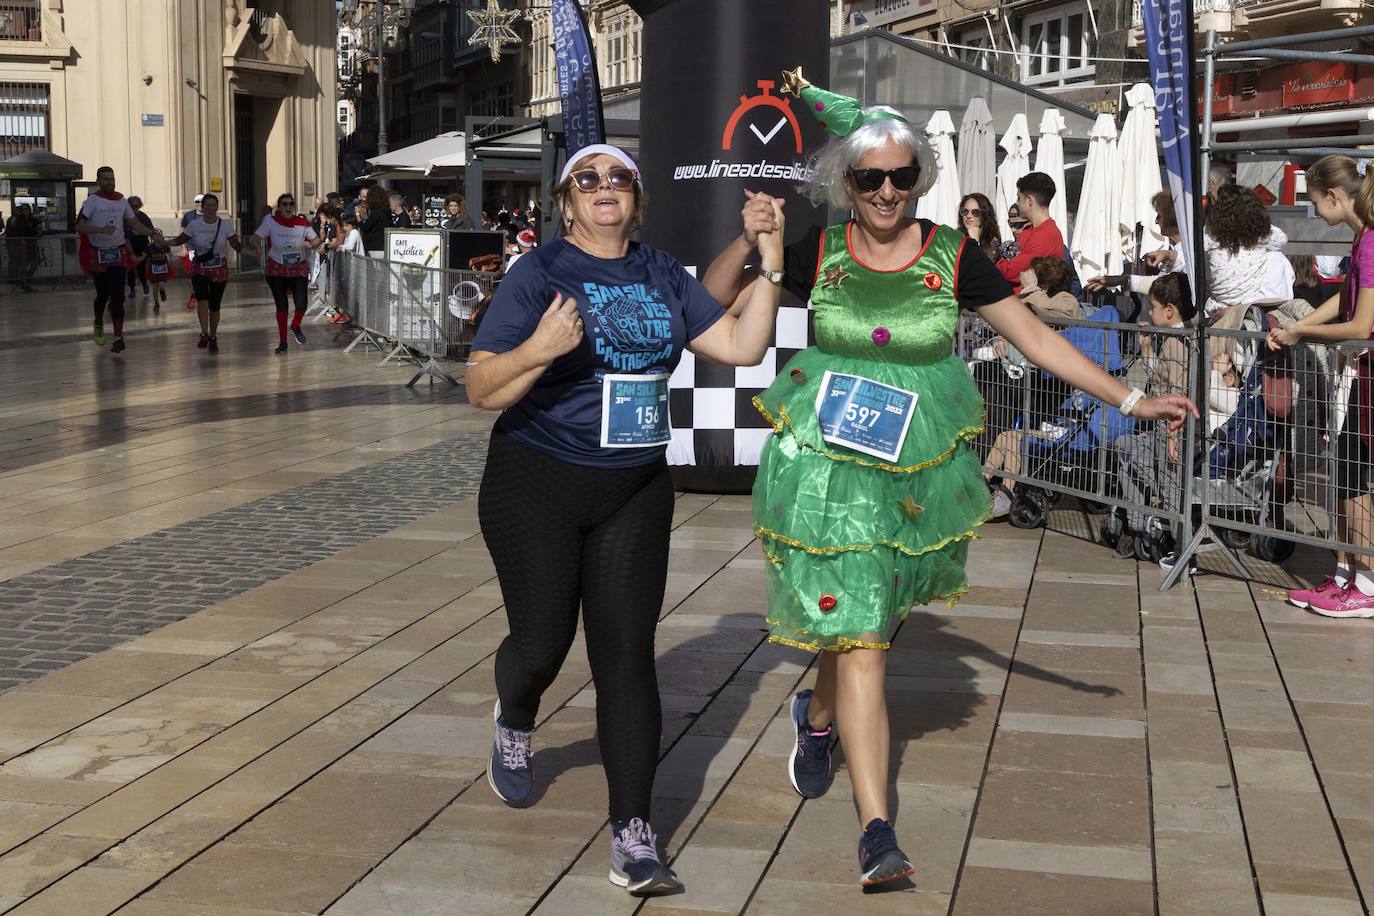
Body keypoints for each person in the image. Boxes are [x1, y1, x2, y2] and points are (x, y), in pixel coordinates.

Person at [702, 69, 1196, 889]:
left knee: (864, 615)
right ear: (847, 183)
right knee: (863, 641)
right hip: (825, 465)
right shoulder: (817, 250)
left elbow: (1037, 341)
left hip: (913, 467)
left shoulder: (952, 254)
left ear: (919, 179)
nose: (888, 191)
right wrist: (748, 237)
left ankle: (816, 718)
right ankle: (877, 831)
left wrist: (1133, 397)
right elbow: (711, 300)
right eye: (871, 178)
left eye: (902, 176)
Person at [466, 143, 786, 897]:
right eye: (588, 178)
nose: (604, 187)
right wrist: (540, 349)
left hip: (635, 486)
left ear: (636, 199)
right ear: (566, 200)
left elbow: (741, 346)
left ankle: (633, 833)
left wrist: (768, 264)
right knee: (542, 641)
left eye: (619, 178)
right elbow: (480, 388)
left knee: (627, 656)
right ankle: (516, 716)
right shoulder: (537, 273)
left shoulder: (663, 272)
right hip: (535, 480)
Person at [1269, 155, 1374, 618]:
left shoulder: (1370, 243)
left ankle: (1363, 582)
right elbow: (1342, 297)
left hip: (1368, 372)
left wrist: (1301, 332)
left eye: (1313, 202)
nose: (1313, 212)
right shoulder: (1363, 239)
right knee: (1350, 475)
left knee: (1356, 479)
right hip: (1363, 375)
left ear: (1335, 196)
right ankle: (1349, 574)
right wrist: (1301, 324)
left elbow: (1361, 324)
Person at [1111, 273, 1195, 559]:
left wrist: (1173, 435)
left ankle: (1180, 544)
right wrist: (1146, 349)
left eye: (1154, 306)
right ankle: (1137, 525)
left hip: (1172, 429)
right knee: (1125, 448)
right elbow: (1161, 382)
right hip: (1165, 425)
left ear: (1169, 310)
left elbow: (1178, 392)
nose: (1149, 311)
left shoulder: (1178, 342)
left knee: (1170, 486)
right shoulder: (1171, 339)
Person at [76, 167, 162, 353]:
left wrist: (152, 233)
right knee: (102, 296)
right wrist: (99, 230)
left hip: (118, 253)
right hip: (98, 253)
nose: (110, 182)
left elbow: (136, 224)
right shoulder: (91, 202)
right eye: (106, 179)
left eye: (112, 179)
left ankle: (118, 336)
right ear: (99, 181)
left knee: (118, 295)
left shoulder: (122, 201)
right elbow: (80, 226)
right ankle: (98, 323)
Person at [245, 192, 321, 353]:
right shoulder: (271, 223)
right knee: (282, 305)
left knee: (301, 303)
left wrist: (311, 244)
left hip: (297, 266)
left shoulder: (302, 222)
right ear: (279, 208)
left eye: (290, 204)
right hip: (276, 267)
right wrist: (258, 247)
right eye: (284, 204)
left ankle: (295, 325)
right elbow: (254, 238)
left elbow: (316, 240)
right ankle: (283, 342)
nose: (288, 207)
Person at [166, 192, 241, 352]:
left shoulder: (225, 225)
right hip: (199, 267)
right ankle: (204, 333)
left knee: (215, 305)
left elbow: (236, 244)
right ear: (202, 207)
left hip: (219, 269)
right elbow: (180, 240)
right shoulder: (194, 225)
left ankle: (213, 336)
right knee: (202, 299)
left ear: (217, 207)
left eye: (214, 205)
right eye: (208, 205)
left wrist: (252, 251)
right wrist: (164, 243)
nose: (211, 208)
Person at [1203, 183, 1290, 320]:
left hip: (1219, 303)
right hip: (1250, 301)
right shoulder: (1261, 236)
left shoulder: (1211, 237)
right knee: (1275, 253)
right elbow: (1282, 239)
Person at [1087, 190, 1186, 298]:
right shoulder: (1176, 248)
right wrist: (1121, 280)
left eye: (1159, 216)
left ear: (1171, 218)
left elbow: (1184, 275)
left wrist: (1169, 256)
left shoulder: (1196, 250)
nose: (1156, 222)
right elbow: (1161, 285)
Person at [995, 172, 1065, 294]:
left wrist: (995, 260)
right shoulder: (1030, 230)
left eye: (1019, 198)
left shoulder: (1046, 234)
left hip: (1031, 307)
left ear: (1029, 201)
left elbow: (1011, 271)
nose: (1017, 203)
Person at [1018, 255, 1081, 319]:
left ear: (1044, 286)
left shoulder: (1068, 301)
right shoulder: (1035, 297)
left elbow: (1044, 308)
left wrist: (1031, 287)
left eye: (1033, 278)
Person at [126, 196, 155, 302]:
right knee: (130, 268)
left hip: (142, 244)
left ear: (139, 206)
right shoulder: (125, 217)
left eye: (136, 206)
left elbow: (151, 229)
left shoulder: (143, 217)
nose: (134, 208)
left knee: (141, 267)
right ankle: (132, 288)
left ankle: (144, 284)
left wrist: (141, 232)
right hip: (130, 244)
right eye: (131, 206)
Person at [958, 192, 1000, 262]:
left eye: (975, 212)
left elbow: (983, 268)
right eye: (965, 211)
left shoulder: (993, 242)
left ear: (985, 215)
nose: (968, 216)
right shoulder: (956, 237)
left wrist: (975, 242)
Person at [4, 203, 37, 292]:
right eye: (23, 210)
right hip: (22, 244)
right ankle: (22, 280)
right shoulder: (18, 220)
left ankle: (24, 279)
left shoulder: (32, 219)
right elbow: (18, 231)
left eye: (26, 209)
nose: (24, 211)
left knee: (34, 263)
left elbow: (35, 230)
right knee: (23, 263)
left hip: (30, 244)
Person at [359, 186, 389, 257]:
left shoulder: (376, 211)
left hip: (374, 247)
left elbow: (365, 227)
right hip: (385, 246)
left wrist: (357, 216)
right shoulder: (386, 210)